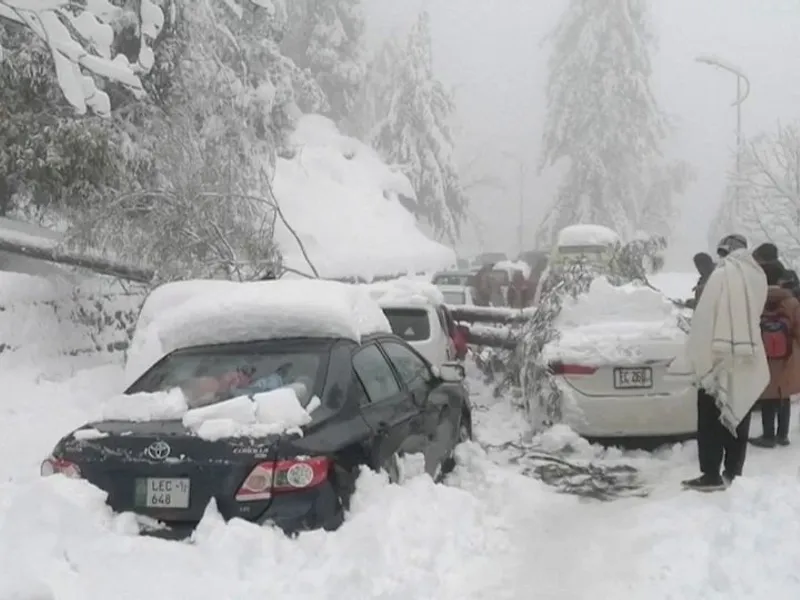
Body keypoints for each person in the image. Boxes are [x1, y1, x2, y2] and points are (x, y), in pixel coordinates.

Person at [668, 234, 770, 492]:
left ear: (727, 252)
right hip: (748, 354)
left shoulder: (724, 275)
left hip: (718, 355)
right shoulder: (758, 276)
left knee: (711, 417)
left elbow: (706, 317)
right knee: (740, 410)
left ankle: (711, 473)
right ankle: (735, 471)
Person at [749, 260, 800, 448]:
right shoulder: (791, 301)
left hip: (763, 354)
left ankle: (768, 436)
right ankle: (783, 435)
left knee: (767, 395)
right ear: (779, 279)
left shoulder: (756, 299)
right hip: (787, 355)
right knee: (783, 395)